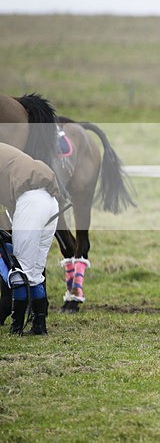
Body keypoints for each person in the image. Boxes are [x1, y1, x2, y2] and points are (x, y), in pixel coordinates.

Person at [0, 143, 60, 335]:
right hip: (51, 203)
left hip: (30, 202)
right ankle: (39, 325)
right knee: (34, 270)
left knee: (19, 270)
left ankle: (16, 327)